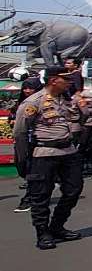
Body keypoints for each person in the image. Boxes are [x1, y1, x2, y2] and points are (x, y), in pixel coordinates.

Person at [15, 66, 84, 249]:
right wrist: (22, 159)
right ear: (54, 80)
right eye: (66, 79)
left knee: (74, 190)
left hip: (68, 152)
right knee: (41, 195)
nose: (69, 82)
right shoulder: (34, 102)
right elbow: (20, 133)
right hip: (44, 153)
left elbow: (79, 119)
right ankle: (42, 233)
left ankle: (57, 226)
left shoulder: (65, 99)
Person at [11, 76, 42, 213]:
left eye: (31, 88)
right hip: (21, 140)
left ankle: (29, 198)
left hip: (36, 141)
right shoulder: (22, 103)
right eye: (25, 88)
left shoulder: (41, 101)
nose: (27, 90)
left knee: (32, 169)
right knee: (21, 165)